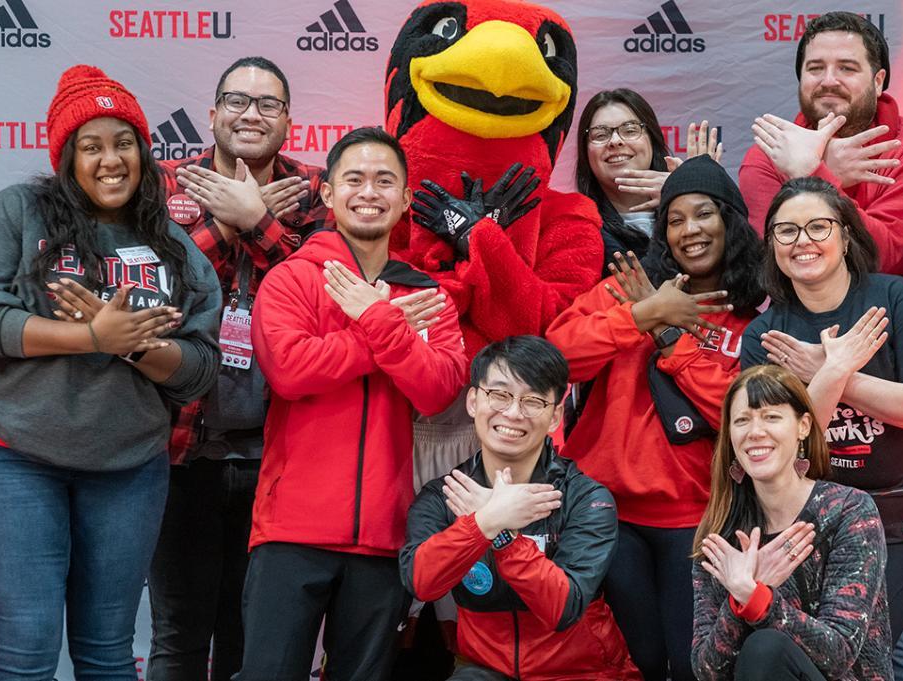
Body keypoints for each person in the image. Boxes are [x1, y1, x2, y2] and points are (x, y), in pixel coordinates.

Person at [0, 65, 220, 680]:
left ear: (143, 152)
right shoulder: (21, 211)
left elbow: (198, 371)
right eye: (90, 146)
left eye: (123, 143)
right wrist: (89, 336)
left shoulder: (174, 244)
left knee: (108, 652)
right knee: (26, 652)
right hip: (18, 458)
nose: (109, 160)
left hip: (129, 468)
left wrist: (133, 347)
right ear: (67, 157)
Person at [235, 127, 468, 681]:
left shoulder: (427, 294)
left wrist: (379, 319)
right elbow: (291, 371)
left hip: (385, 534)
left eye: (385, 180)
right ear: (329, 195)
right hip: (290, 529)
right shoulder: (292, 278)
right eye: (355, 179)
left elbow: (438, 390)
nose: (370, 192)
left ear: (407, 199)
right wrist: (381, 328)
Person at [142, 55, 331, 681]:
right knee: (177, 636)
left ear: (288, 122)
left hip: (277, 456)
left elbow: (325, 296)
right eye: (238, 101)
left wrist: (263, 223)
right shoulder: (164, 186)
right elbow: (157, 291)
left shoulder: (315, 189)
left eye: (268, 104)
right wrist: (231, 224)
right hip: (177, 451)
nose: (252, 113)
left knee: (254, 641)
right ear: (214, 112)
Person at [546, 155, 765, 681]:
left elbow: (739, 411)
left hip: (698, 519)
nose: (689, 230)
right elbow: (556, 359)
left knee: (694, 666)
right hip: (606, 513)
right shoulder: (625, 287)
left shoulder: (752, 319)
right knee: (631, 664)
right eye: (675, 218)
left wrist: (670, 336)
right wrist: (642, 315)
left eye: (704, 214)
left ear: (731, 222)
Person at [740, 176, 903, 676]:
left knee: (862, 652)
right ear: (771, 245)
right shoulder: (766, 335)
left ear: (846, 235)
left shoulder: (895, 301)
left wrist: (832, 375)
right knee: (814, 655)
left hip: (898, 515)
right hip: (803, 524)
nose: (803, 241)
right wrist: (834, 372)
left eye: (818, 226)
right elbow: (776, 449)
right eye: (786, 231)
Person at [400, 335, 639, 680]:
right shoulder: (446, 494)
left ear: (556, 415)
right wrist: (483, 523)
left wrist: (502, 536)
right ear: (472, 401)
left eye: (532, 401)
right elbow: (421, 582)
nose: (513, 412)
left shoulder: (585, 498)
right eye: (499, 395)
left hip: (582, 670)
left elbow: (564, 608)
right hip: (486, 669)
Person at [691, 365, 891, 681]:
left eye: (771, 417)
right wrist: (740, 599)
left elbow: (839, 654)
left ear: (803, 426)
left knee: (766, 648)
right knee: (761, 650)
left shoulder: (848, 510)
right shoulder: (721, 534)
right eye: (742, 420)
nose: (755, 431)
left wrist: (759, 599)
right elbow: (706, 670)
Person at [739, 11, 903, 280]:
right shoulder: (768, 154)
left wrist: (811, 174)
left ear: (877, 82)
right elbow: (777, 265)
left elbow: (887, 260)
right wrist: (824, 175)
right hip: (797, 316)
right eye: (815, 68)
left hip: (892, 315)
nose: (828, 80)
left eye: (847, 68)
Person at [575, 88, 722, 274]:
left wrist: (699, 195)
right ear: (585, 151)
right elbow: (640, 287)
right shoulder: (579, 224)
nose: (615, 141)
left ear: (652, 139)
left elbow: (743, 272)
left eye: (629, 130)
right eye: (600, 135)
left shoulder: (692, 199)